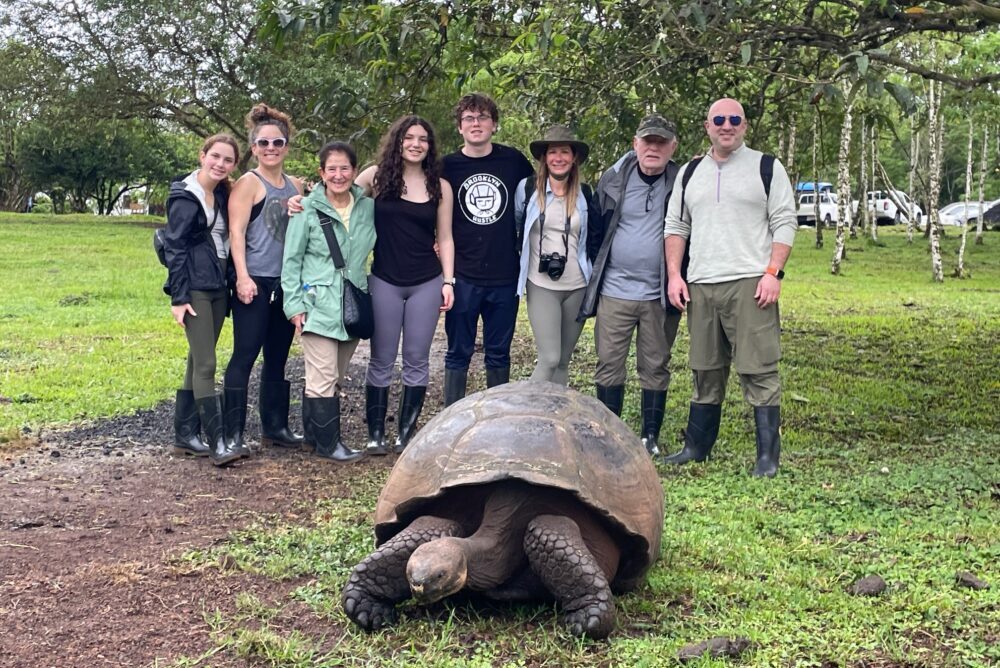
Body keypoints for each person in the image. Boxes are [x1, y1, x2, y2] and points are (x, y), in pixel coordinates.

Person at [663, 98, 797, 477]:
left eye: (734, 119)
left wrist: (773, 272)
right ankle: (697, 446)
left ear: (744, 125)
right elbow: (676, 226)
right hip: (702, 283)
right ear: (707, 126)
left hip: (750, 282)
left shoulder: (766, 167)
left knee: (758, 369)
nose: (727, 125)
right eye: (719, 119)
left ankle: (767, 458)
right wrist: (676, 274)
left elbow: (785, 220)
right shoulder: (690, 173)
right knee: (705, 368)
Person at [577, 114, 682, 457]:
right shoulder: (613, 179)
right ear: (636, 144)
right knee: (609, 361)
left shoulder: (682, 182)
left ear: (672, 147)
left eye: (661, 142)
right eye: (647, 141)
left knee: (655, 364)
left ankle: (650, 436)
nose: (653, 148)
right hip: (615, 291)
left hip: (659, 292)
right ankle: (610, 432)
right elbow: (595, 231)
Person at [354, 116, 455, 455]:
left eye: (423, 139)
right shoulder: (375, 177)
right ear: (397, 141)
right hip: (384, 278)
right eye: (409, 137)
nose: (416, 144)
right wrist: (300, 202)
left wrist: (448, 280)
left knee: (416, 357)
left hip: (426, 281)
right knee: (381, 358)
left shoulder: (439, 186)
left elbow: (446, 237)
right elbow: (337, 203)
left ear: (430, 145)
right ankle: (375, 435)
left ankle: (405, 435)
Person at [281, 141, 376, 462]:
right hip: (317, 303)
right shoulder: (306, 209)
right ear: (321, 173)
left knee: (333, 374)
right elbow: (291, 261)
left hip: (353, 304)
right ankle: (328, 444)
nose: (338, 175)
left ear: (354, 171)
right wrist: (294, 305)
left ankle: (312, 436)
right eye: (331, 169)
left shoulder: (367, 208)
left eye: (345, 168)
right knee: (322, 376)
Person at [162, 134, 249, 466]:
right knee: (207, 364)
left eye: (228, 160)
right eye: (215, 157)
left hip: (217, 286)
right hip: (195, 288)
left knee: (196, 361)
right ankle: (218, 443)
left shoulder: (222, 192)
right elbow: (175, 247)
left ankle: (185, 436)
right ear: (202, 155)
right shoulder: (186, 197)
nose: (220, 164)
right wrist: (179, 295)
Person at [441, 92, 534, 405]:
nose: (476, 123)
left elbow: (540, 199)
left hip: (504, 274)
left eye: (482, 117)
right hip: (463, 274)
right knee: (458, 352)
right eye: (469, 118)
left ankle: (497, 417)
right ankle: (450, 416)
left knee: (498, 353)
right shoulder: (446, 167)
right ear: (459, 127)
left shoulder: (514, 162)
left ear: (494, 124)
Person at [224, 104, 304, 455]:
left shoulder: (296, 185)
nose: (271, 148)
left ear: (287, 147)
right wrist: (242, 277)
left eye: (278, 142)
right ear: (253, 147)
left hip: (285, 284)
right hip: (255, 281)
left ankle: (275, 427)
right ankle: (232, 432)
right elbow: (236, 234)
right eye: (264, 143)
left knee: (277, 356)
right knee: (244, 354)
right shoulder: (247, 184)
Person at [513, 125, 601, 385]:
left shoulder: (585, 194)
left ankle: (554, 421)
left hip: (577, 285)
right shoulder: (528, 189)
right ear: (544, 157)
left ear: (574, 157)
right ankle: (528, 412)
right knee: (549, 357)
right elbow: (516, 225)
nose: (558, 157)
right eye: (553, 152)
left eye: (565, 151)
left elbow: (592, 237)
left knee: (563, 360)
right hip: (541, 284)